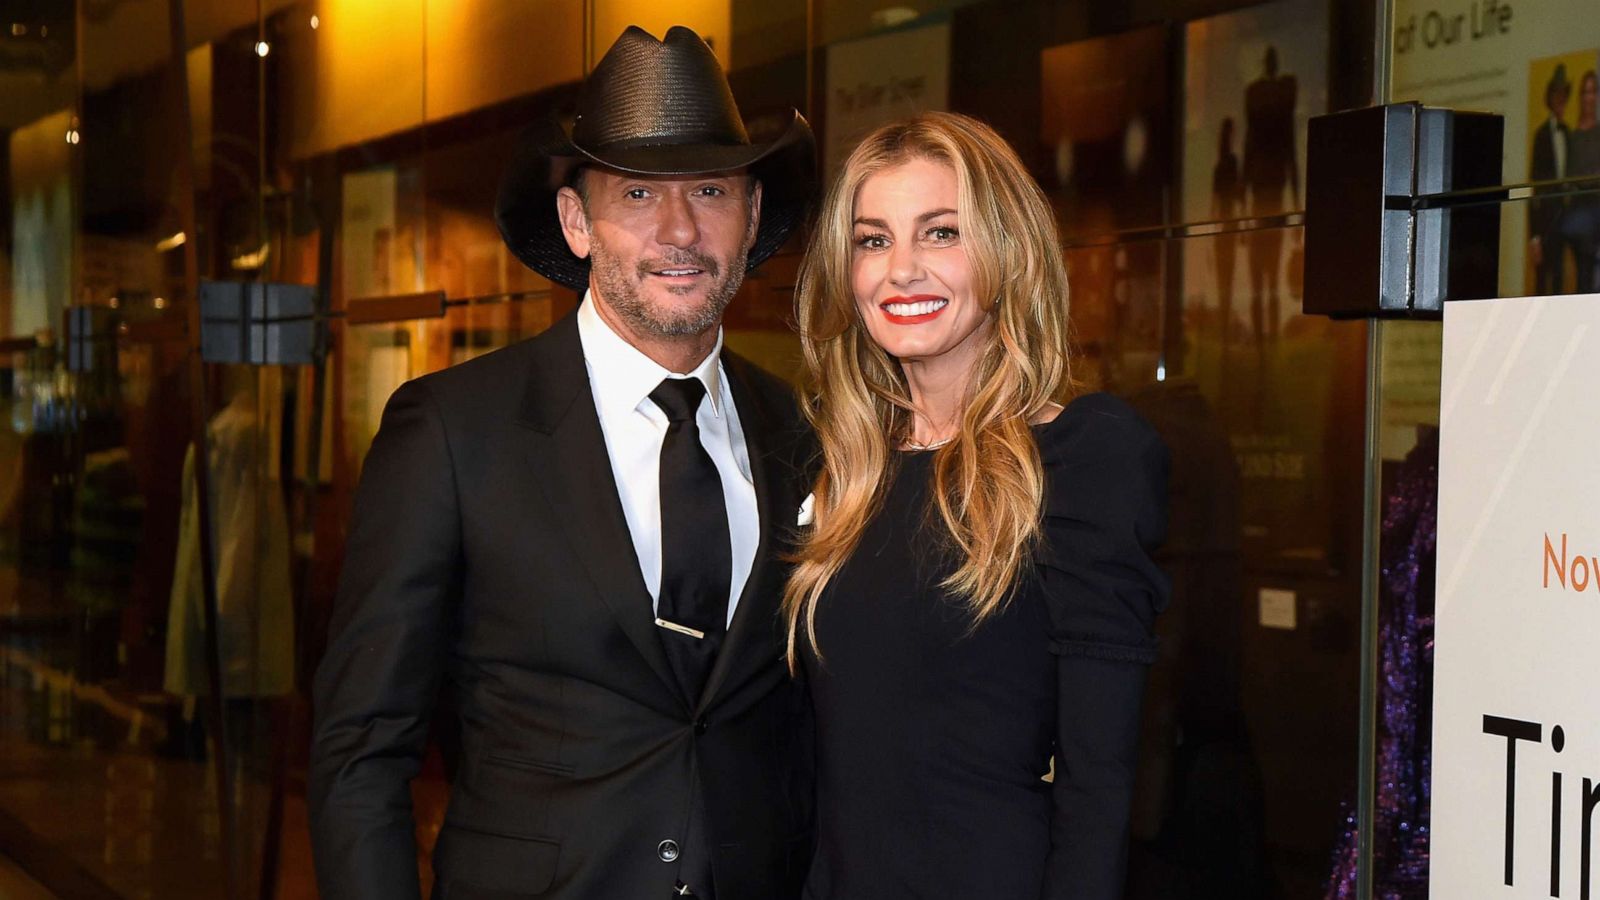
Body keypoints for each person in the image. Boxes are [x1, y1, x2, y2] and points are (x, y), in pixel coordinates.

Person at [309, 26, 817, 900]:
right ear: (576, 222)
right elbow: (362, 750)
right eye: (637, 194)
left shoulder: (803, 433)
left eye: (710, 189)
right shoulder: (452, 432)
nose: (680, 229)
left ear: (754, 216)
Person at [785, 111, 1171, 899]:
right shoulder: (841, 464)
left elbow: (1100, 787)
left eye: (940, 233)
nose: (900, 270)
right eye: (872, 239)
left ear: (1008, 251)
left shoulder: (1083, 459)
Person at [1243, 46, 1299, 346]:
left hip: (1272, 190)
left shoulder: (1280, 92)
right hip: (1262, 191)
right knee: (1258, 279)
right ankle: (1260, 344)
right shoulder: (1257, 92)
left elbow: (1288, 145)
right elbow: (1251, 140)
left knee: (1270, 278)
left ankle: (1270, 343)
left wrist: (1297, 197)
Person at [1531, 63, 1574, 294]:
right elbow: (1533, 187)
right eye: (1556, 94)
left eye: (1563, 95)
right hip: (1545, 220)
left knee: (1559, 279)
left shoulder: (1568, 133)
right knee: (1541, 281)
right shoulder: (1540, 136)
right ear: (1550, 97)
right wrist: (1534, 237)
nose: (1560, 99)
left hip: (1563, 219)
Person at [1559, 69, 1600, 293]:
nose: (1589, 97)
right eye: (1585, 92)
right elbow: (1568, 177)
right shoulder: (1572, 137)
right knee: (1584, 276)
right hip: (1580, 214)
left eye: (1593, 92)